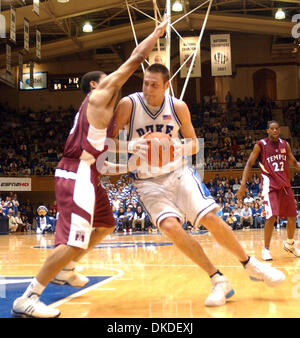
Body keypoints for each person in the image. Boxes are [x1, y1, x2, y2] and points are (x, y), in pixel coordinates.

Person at [11, 16, 169, 318]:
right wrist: (157, 32)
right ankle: (29, 296)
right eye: (108, 76)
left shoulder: (101, 119)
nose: (115, 79)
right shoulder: (99, 95)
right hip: (77, 173)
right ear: (96, 85)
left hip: (89, 171)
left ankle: (67, 267)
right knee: (73, 240)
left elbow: (101, 151)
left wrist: (131, 148)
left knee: (107, 223)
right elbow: (136, 59)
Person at [111, 63, 285, 308]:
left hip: (178, 172)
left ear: (166, 85)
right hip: (147, 181)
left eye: (154, 84)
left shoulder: (178, 106)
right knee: (170, 227)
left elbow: (194, 144)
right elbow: (106, 140)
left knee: (210, 218)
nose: (148, 89)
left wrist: (178, 148)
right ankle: (217, 279)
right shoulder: (128, 104)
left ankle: (250, 264)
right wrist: (130, 146)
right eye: (145, 83)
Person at [237, 120, 300, 261]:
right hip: (270, 185)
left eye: (277, 128)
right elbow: (249, 163)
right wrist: (243, 184)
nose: (275, 131)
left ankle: (290, 244)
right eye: (272, 129)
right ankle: (266, 249)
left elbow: (295, 163)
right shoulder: (261, 145)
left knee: (292, 216)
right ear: (267, 130)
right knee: (271, 216)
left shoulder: (285, 144)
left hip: (285, 185)